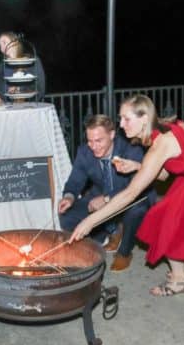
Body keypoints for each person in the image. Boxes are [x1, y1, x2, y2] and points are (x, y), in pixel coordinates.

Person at [70, 94, 184, 296]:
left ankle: (180, 281)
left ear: (144, 118)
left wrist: (90, 222)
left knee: (164, 220)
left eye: (126, 119)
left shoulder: (160, 145)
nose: (121, 124)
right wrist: (137, 166)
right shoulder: (160, 128)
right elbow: (164, 174)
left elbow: (130, 194)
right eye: (120, 118)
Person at [58, 114, 156, 271]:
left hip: (133, 197)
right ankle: (111, 232)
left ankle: (124, 252)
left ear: (111, 135)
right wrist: (68, 197)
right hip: (98, 199)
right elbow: (75, 181)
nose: (93, 146)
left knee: (137, 210)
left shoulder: (130, 148)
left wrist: (107, 199)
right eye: (90, 141)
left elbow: (135, 186)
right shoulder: (84, 152)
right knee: (66, 214)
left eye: (98, 141)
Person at [0, 31, 46, 104]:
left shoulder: (31, 62)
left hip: (29, 108)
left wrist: (19, 89)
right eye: (0, 45)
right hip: (8, 110)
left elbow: (40, 89)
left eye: (4, 43)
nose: (2, 48)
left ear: (15, 43)